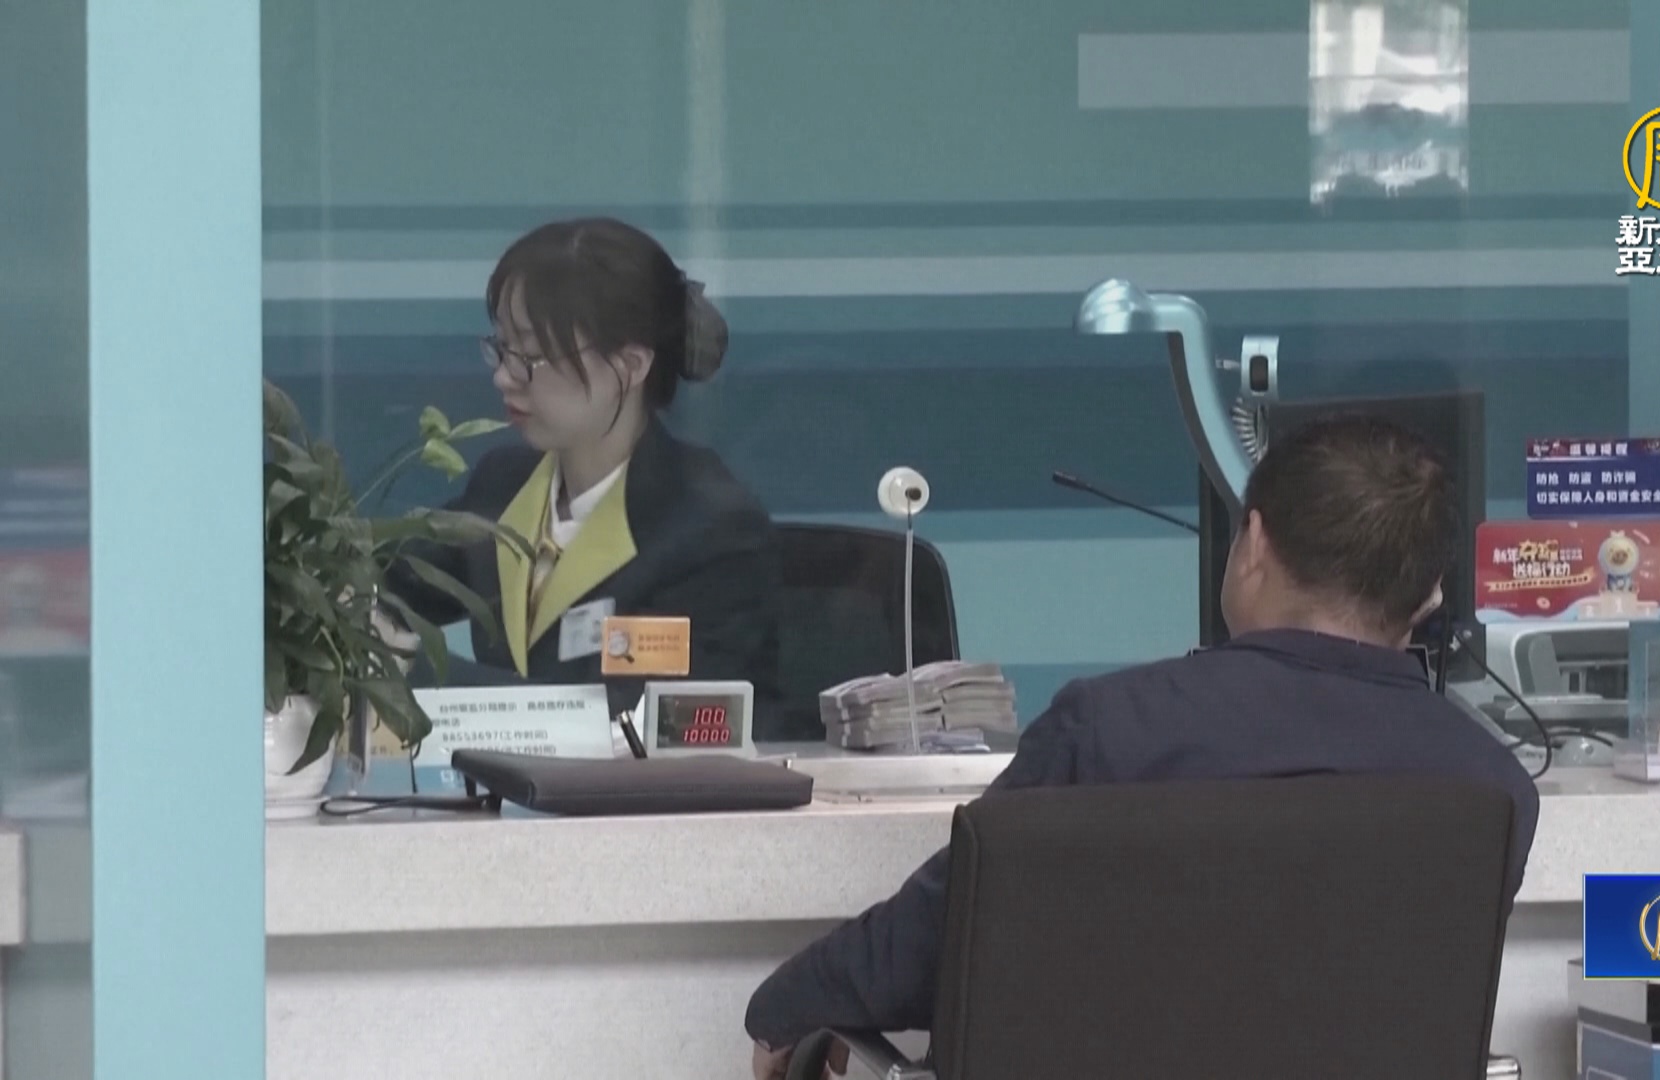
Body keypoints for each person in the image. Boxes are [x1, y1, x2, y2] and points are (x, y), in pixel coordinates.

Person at [742, 414, 1539, 1078]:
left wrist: (785, 1009)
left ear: (1254, 543)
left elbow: (923, 957)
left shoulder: (1113, 733)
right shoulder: (1492, 790)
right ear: (1429, 595)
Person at [383, 218, 781, 724]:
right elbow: (389, 578)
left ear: (630, 366)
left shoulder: (711, 529)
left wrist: (417, 669)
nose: (503, 376)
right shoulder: (505, 485)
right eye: (502, 348)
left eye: (531, 356)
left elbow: (630, 722)